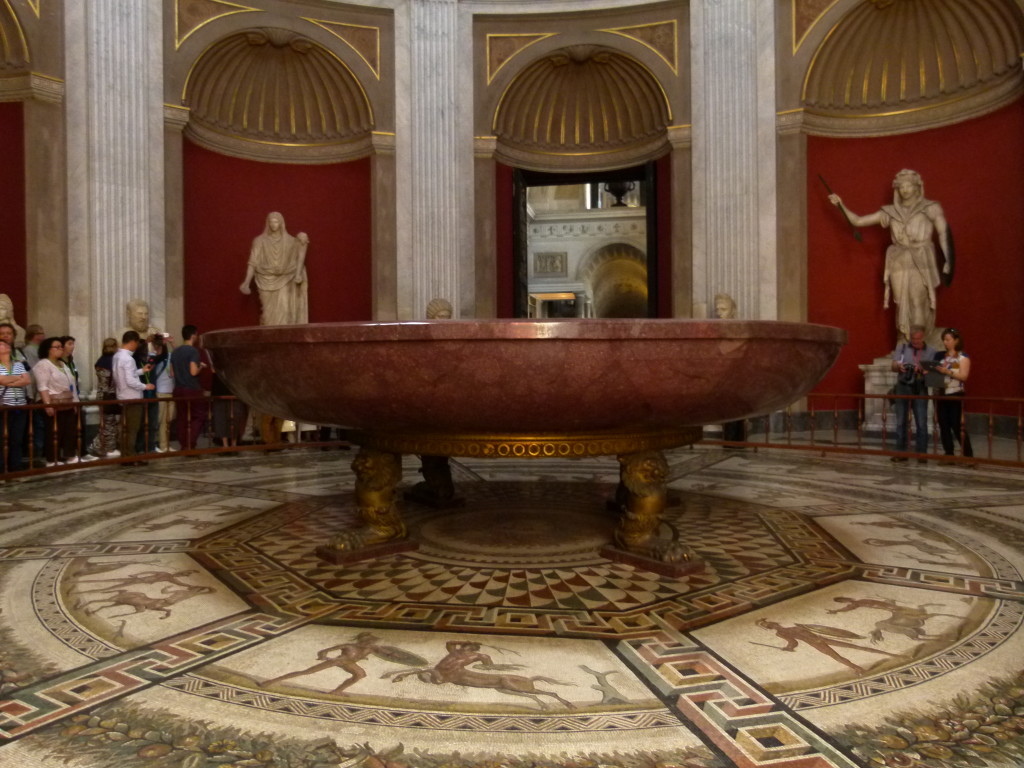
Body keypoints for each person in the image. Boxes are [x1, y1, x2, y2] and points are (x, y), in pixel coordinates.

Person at [828, 169, 952, 344]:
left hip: (921, 257)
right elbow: (858, 221)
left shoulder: (930, 208)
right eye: (901, 186)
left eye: (909, 185)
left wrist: (947, 259)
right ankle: (903, 341)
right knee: (901, 302)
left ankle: (918, 343)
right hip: (899, 259)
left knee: (917, 301)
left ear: (917, 187)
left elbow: (943, 234)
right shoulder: (890, 212)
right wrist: (840, 205)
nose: (905, 190)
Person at [33, 337, 96, 466]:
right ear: (48, 349)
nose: (60, 349)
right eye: (57, 347)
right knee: (54, 431)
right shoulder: (43, 364)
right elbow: (42, 386)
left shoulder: (62, 363)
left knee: (70, 430)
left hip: (67, 401)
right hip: (53, 401)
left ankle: (70, 455)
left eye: (61, 347)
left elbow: (71, 383)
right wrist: (47, 404)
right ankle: (52, 459)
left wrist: (75, 401)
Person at [239, 211, 309, 326]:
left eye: (276, 222)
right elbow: (252, 263)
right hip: (264, 279)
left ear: (281, 223)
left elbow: (300, 254)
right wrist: (246, 282)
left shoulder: (290, 241)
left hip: (285, 279)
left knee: (285, 310)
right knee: (267, 315)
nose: (273, 224)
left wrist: (302, 238)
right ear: (268, 223)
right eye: (271, 222)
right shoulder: (259, 241)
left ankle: (285, 340)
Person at [890, 326, 938, 462]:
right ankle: (901, 453)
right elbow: (893, 366)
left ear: (923, 337)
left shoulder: (931, 351)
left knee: (921, 422)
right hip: (903, 386)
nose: (915, 341)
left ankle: (922, 454)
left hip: (920, 387)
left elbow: (934, 373)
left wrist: (923, 370)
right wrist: (899, 366)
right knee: (901, 422)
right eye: (913, 339)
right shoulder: (902, 348)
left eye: (918, 339)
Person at [112, 330, 155, 460]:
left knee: (125, 429)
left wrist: (142, 371)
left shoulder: (117, 356)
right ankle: (130, 457)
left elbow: (125, 375)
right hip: (132, 398)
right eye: (136, 343)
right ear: (132, 342)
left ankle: (125, 454)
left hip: (122, 396)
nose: (137, 347)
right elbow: (130, 380)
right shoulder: (128, 359)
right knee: (132, 430)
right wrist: (145, 386)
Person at [934, 327, 973, 462]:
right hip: (942, 393)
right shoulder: (940, 356)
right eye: (944, 340)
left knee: (957, 425)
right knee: (943, 424)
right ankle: (948, 453)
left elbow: (964, 376)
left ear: (956, 341)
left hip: (956, 393)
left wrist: (947, 372)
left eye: (948, 340)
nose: (945, 343)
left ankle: (968, 455)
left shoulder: (963, 357)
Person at [170, 325, 208, 450]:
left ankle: (183, 444)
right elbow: (193, 372)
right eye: (196, 335)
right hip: (192, 388)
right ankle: (190, 443)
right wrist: (201, 366)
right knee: (199, 416)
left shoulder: (175, 352)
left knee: (182, 417)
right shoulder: (193, 351)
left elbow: (172, 373)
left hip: (178, 388)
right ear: (193, 335)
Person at [0, 334, 30, 472]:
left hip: (20, 405)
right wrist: (17, 379)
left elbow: (27, 380)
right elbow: (2, 381)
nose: (5, 346)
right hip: (3, 406)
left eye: (7, 345)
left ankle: (15, 466)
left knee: (16, 439)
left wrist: (9, 379)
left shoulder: (18, 364)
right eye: (1, 345)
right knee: (2, 439)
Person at [87, 337, 121, 459]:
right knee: (110, 423)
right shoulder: (113, 361)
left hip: (101, 394)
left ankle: (107, 448)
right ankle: (98, 447)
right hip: (110, 396)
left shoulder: (101, 361)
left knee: (107, 422)